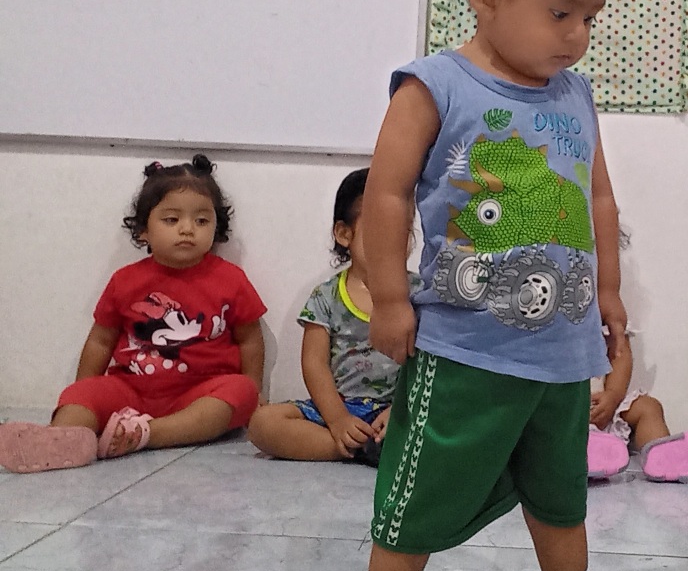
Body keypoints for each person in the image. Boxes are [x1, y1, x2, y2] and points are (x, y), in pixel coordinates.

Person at [338, 0, 672, 571]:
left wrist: (609, 293)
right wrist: (389, 298)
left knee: (560, 486)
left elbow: (598, 197)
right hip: (464, 345)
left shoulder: (574, 95)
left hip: (560, 346)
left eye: (591, 16)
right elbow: (386, 195)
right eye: (561, 13)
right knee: (422, 488)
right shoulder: (434, 86)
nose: (579, 35)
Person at [0, 155, 264, 474]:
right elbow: (101, 341)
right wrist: (89, 392)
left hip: (200, 394)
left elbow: (250, 338)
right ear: (143, 231)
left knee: (241, 391)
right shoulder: (125, 280)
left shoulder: (230, 279)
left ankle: (146, 434)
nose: (187, 229)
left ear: (216, 228)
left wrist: (254, 390)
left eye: (201, 221)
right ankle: (64, 439)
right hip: (132, 389)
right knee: (77, 394)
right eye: (171, 220)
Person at [249, 168, 397, 466]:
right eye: (379, 230)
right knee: (263, 423)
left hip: (397, 410)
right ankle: (357, 447)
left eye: (403, 230)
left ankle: (378, 444)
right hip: (340, 407)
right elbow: (314, 364)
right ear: (344, 234)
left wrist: (401, 409)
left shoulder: (417, 294)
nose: (392, 241)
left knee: (454, 420)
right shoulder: (326, 296)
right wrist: (338, 419)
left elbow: (428, 361)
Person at [586, 323, 688, 482]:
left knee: (648, 407)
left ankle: (665, 458)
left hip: (603, 410)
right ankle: (584, 452)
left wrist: (613, 395)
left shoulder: (608, 318)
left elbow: (619, 354)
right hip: (566, 417)